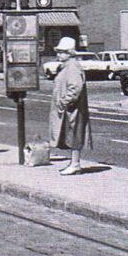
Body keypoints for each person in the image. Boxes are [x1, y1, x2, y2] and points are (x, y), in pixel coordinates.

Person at [48, 37, 92, 176]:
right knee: (70, 134)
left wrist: (64, 102)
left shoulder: (72, 67)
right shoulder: (67, 66)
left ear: (70, 53)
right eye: (59, 52)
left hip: (73, 109)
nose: (58, 55)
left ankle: (75, 164)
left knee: (75, 134)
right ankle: (74, 163)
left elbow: (75, 88)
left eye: (62, 52)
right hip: (69, 108)